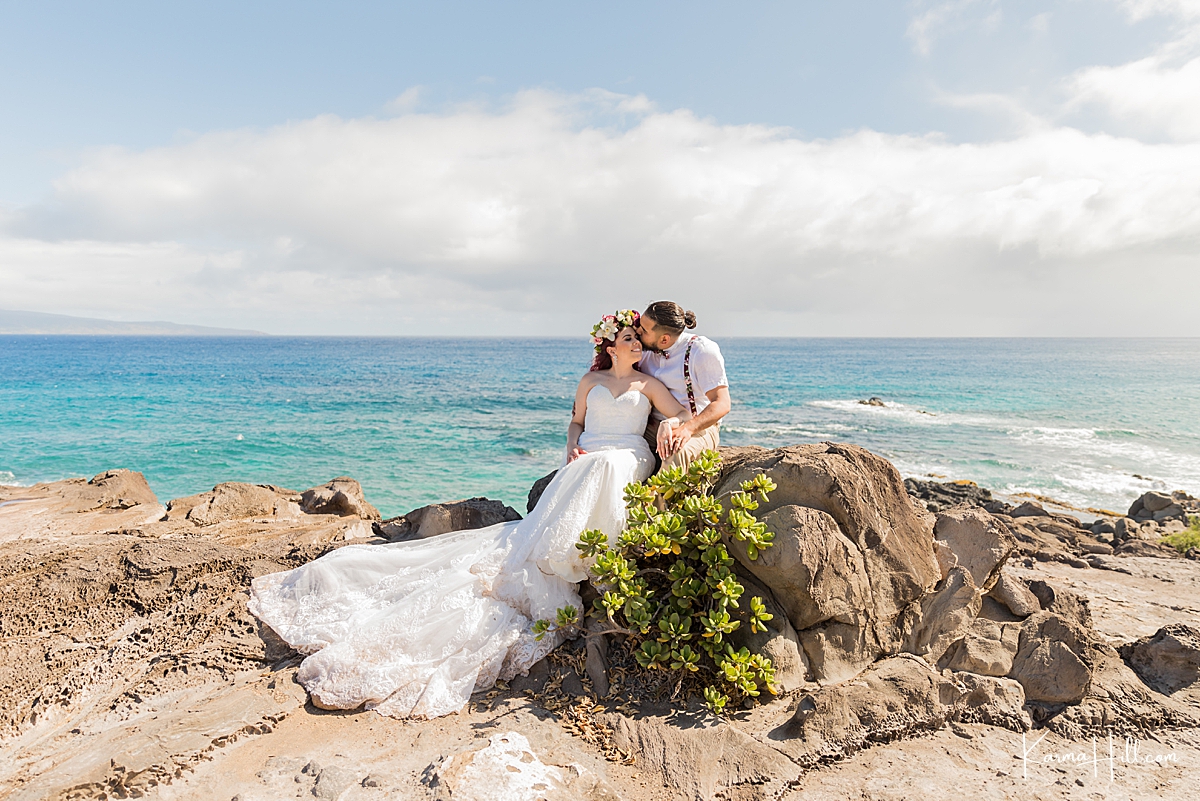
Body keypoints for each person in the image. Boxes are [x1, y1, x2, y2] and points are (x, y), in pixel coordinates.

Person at [248, 310, 689, 719]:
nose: (640, 346)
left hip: (626, 456)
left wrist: (670, 425)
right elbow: (575, 421)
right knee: (589, 465)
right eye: (631, 339)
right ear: (611, 348)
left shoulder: (647, 386)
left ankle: (585, 555)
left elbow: (682, 415)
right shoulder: (589, 380)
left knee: (604, 465)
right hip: (589, 455)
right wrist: (571, 445)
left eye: (640, 340)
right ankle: (562, 553)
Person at [635, 301, 731, 472]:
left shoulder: (701, 351)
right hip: (652, 427)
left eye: (644, 330)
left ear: (664, 339)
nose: (638, 331)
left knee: (674, 452)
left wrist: (687, 429)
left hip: (697, 427)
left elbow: (722, 403)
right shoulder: (641, 349)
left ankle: (660, 500)